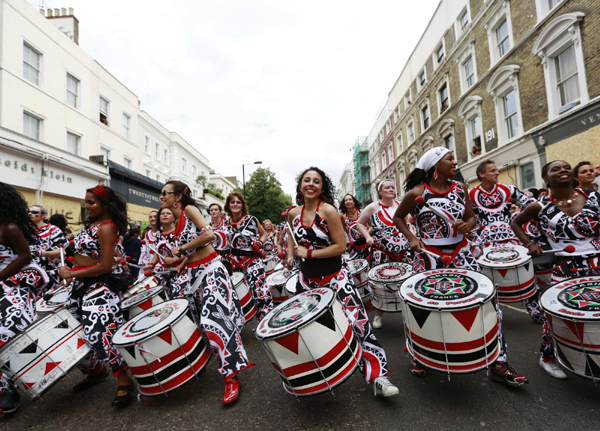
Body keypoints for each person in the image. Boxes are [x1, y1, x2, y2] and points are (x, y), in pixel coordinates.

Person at [393, 147, 528, 386]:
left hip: (461, 254)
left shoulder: (460, 189)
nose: (455, 162)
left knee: (487, 304)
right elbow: (398, 217)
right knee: (422, 308)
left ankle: (498, 359)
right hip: (429, 257)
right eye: (449, 159)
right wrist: (412, 238)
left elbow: (471, 217)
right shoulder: (417, 192)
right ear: (435, 166)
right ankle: (418, 355)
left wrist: (468, 225)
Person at [287, 167, 399, 397]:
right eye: (306, 180)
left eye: (316, 181)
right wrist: (290, 254)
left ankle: (379, 376)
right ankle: (318, 376)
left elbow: (341, 246)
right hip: (307, 282)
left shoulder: (328, 211)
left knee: (359, 324)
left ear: (321, 187)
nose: (311, 184)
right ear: (300, 186)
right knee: (311, 330)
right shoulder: (292, 214)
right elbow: (291, 234)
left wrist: (309, 254)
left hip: (336, 279)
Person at [163, 181, 252, 404]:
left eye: (165, 193)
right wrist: (184, 260)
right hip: (195, 275)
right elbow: (195, 246)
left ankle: (232, 376)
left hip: (211, 271)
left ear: (178, 197)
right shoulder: (178, 219)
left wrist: (182, 250)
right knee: (202, 324)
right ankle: (216, 363)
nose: (161, 196)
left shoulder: (189, 210)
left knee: (216, 322)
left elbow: (209, 235)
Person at [511, 160, 600, 380]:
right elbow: (516, 223)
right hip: (565, 266)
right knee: (558, 314)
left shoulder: (594, 197)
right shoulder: (540, 207)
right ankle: (548, 357)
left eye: (566, 167)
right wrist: (530, 244)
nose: (563, 170)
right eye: (555, 169)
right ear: (546, 178)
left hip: (597, 262)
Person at [58, 185, 134, 408]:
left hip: (100, 286)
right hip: (81, 284)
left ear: (104, 204)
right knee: (71, 330)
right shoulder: (93, 224)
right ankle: (95, 370)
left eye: (92, 202)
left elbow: (105, 265)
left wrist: (72, 272)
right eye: (86, 202)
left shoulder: (107, 227)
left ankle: (124, 379)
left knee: (99, 333)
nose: (87, 206)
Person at [469, 160, 542, 323]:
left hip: (511, 239)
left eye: (496, 169)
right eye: (492, 170)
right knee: (487, 278)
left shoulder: (508, 189)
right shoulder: (470, 194)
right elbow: (465, 216)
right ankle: (493, 314)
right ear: (482, 174)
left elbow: (531, 204)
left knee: (525, 273)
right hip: (485, 242)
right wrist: (473, 236)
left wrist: (524, 220)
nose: (497, 172)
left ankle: (535, 309)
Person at [0, 183, 49, 414]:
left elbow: (25, 256)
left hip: (17, 280)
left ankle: (90, 366)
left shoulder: (9, 227)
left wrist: (0, 277)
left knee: (9, 330)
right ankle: (6, 388)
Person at [356, 179, 410, 329]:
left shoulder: (400, 205)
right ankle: (379, 316)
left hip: (405, 253)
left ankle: (408, 315)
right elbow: (360, 223)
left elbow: (408, 223)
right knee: (381, 284)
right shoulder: (372, 207)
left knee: (406, 282)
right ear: (380, 191)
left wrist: (412, 234)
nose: (391, 189)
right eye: (387, 187)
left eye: (393, 187)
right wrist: (367, 236)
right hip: (382, 253)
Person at [223, 192, 273, 320]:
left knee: (260, 290)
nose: (235, 204)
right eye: (232, 202)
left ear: (242, 205)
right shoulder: (226, 224)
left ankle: (265, 320)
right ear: (228, 205)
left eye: (238, 202)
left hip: (252, 260)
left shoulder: (251, 219)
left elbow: (264, 234)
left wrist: (260, 242)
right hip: (235, 264)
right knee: (240, 293)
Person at [145, 207, 187, 298]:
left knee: (180, 300)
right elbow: (157, 252)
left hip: (179, 271)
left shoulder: (179, 232)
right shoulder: (158, 234)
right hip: (164, 273)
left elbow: (189, 252)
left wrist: (173, 260)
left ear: (173, 218)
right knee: (163, 300)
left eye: (168, 213)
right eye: (162, 214)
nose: (165, 215)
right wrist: (152, 264)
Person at [28, 205, 67, 295]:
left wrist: (39, 253)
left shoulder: (53, 230)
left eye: (34, 212)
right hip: (29, 275)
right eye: (28, 212)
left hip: (50, 275)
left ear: (44, 215)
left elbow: (61, 251)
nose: (30, 214)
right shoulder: (25, 231)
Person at [339, 194, 370, 261]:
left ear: (354, 202)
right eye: (346, 200)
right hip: (354, 247)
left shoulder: (361, 212)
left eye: (350, 199)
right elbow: (343, 232)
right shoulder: (343, 217)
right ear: (344, 204)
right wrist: (345, 245)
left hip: (367, 244)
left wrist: (366, 234)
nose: (348, 201)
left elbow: (371, 226)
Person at [208, 203, 232, 275]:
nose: (214, 211)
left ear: (220, 212)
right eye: (211, 210)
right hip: (213, 258)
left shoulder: (227, 224)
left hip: (226, 258)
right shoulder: (208, 227)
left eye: (216, 209)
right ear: (210, 213)